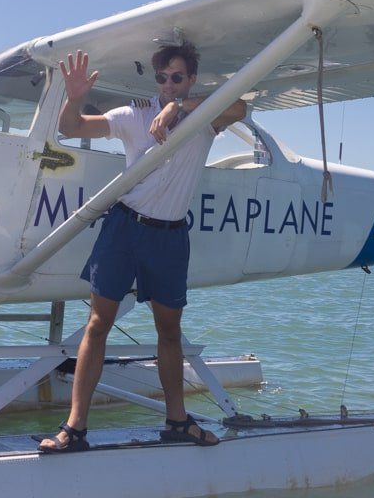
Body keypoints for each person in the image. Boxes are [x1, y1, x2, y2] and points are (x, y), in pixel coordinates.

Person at [39, 43, 247, 453]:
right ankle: (74, 429)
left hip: (169, 237)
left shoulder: (205, 119)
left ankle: (177, 422)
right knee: (98, 324)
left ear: (190, 80)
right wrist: (75, 95)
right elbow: (72, 128)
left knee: (169, 332)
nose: (168, 84)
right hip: (124, 228)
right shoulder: (134, 116)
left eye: (177, 77)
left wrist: (180, 108)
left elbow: (239, 108)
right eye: (162, 78)